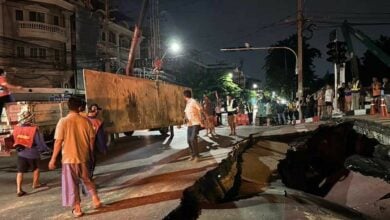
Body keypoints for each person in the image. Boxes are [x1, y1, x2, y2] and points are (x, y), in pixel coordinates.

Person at [48, 96, 101, 218]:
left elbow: (58, 142)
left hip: (69, 158)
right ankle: (96, 199)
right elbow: (92, 139)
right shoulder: (86, 121)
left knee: (72, 184)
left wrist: (53, 159)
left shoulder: (63, 121)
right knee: (87, 179)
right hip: (83, 156)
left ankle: (77, 209)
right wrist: (91, 152)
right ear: (79, 107)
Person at [13, 111, 50, 197]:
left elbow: (15, 139)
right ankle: (35, 184)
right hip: (32, 153)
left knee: (20, 171)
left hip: (21, 153)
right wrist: (45, 149)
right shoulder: (33, 129)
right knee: (36, 169)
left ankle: (19, 189)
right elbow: (39, 142)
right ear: (30, 118)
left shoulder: (17, 128)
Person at [86, 104, 108, 178]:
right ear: (95, 110)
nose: (98, 112)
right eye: (97, 110)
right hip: (92, 145)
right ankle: (89, 175)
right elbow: (100, 137)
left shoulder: (83, 119)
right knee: (92, 159)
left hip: (81, 145)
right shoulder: (98, 122)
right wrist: (103, 149)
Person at [183, 90, 202, 162]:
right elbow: (186, 112)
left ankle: (197, 156)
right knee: (188, 140)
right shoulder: (187, 103)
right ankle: (193, 155)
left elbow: (200, 109)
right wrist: (185, 118)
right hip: (190, 124)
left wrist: (202, 120)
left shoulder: (194, 101)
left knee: (193, 139)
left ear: (185, 96)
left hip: (195, 123)